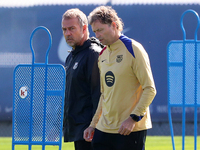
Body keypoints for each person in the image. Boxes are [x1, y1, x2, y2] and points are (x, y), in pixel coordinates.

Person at [84, 6, 157, 150]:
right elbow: (105, 95)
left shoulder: (133, 48)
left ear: (114, 25)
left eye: (100, 30)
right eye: (94, 31)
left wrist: (133, 119)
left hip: (129, 129)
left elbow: (150, 89)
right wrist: (93, 124)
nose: (97, 35)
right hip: (104, 128)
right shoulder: (102, 54)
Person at [62, 8, 104, 150]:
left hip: (91, 132)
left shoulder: (93, 54)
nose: (67, 33)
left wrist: (94, 126)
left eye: (72, 28)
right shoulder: (72, 56)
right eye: (64, 29)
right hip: (78, 131)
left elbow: (99, 95)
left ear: (84, 28)